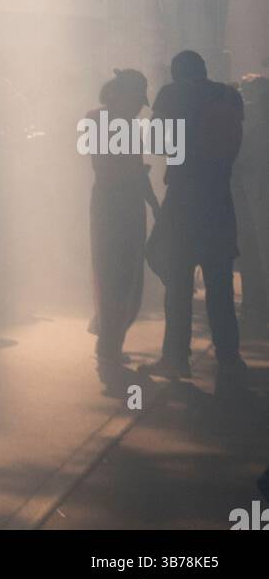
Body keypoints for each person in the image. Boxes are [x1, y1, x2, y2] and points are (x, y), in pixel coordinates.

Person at [151, 50, 247, 389]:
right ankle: (229, 357)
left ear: (177, 72)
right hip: (219, 198)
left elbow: (159, 141)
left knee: (178, 282)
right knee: (219, 283)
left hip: (184, 198)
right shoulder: (229, 95)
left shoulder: (171, 94)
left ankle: (176, 357)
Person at [86, 69, 158, 386]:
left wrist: (153, 205)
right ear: (121, 95)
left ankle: (110, 338)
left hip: (127, 204)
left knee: (128, 276)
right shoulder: (98, 119)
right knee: (113, 273)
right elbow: (109, 166)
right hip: (112, 203)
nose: (140, 108)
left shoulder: (128, 124)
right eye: (136, 100)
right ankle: (108, 344)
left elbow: (136, 170)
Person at [233, 76, 269, 335]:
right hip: (248, 201)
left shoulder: (252, 128)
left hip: (254, 200)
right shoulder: (248, 126)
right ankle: (253, 308)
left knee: (255, 254)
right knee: (251, 253)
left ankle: (254, 310)